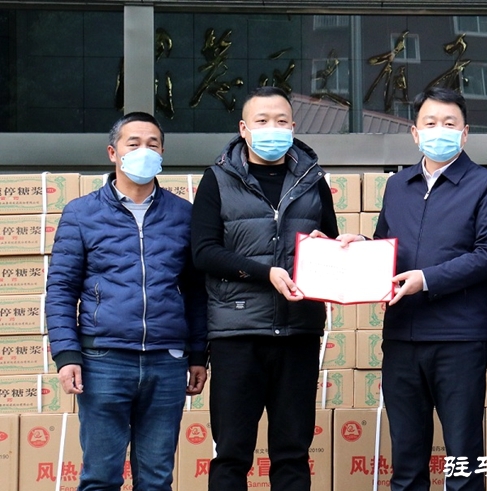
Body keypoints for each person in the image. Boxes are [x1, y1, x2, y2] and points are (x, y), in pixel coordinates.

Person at [340, 86, 487, 491]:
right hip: (402, 337)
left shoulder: (485, 185)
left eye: (449, 123)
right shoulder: (398, 185)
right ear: (415, 133)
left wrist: (427, 279)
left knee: (463, 459)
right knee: (407, 459)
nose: (439, 131)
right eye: (430, 123)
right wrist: (362, 246)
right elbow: (387, 245)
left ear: (465, 133)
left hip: (459, 340)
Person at [45, 111, 208, 491]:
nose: (143, 151)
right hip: (103, 359)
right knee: (101, 477)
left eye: (153, 144)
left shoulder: (184, 215)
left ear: (162, 153)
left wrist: (199, 354)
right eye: (133, 144)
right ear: (113, 153)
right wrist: (66, 355)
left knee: (156, 479)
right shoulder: (81, 213)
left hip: (167, 361)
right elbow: (61, 289)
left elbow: (197, 292)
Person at [191, 86, 339, 491]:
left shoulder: (312, 180)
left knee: (293, 453)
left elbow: (329, 241)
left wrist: (342, 248)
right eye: (261, 121)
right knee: (232, 452)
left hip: (298, 332)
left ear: (293, 126)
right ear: (243, 128)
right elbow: (203, 252)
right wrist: (264, 273)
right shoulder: (217, 180)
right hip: (237, 335)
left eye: (280, 121)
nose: (272, 128)